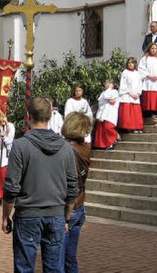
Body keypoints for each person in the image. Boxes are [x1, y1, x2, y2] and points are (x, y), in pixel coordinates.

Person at [2, 97, 78, 273]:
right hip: (56, 215)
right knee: (54, 268)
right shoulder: (65, 148)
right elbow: (73, 187)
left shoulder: (20, 146)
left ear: (28, 116)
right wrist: (66, 217)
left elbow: (11, 187)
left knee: (24, 268)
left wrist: (6, 216)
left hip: (28, 214)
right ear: (50, 116)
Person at [61, 112, 92, 273]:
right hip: (80, 206)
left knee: (58, 258)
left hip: (68, 208)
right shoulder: (85, 148)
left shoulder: (67, 151)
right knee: (70, 258)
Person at [138, 43, 157, 120]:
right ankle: (148, 111)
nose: (153, 50)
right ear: (149, 49)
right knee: (149, 96)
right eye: (152, 48)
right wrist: (148, 75)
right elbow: (141, 68)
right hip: (148, 80)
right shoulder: (145, 58)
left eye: (155, 48)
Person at [117, 57, 143, 133]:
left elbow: (140, 84)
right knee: (128, 113)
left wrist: (138, 93)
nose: (130, 64)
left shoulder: (137, 73)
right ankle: (128, 127)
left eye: (132, 63)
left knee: (135, 113)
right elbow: (123, 84)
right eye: (129, 63)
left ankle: (136, 127)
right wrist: (130, 92)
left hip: (135, 95)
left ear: (135, 64)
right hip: (127, 95)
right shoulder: (125, 72)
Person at [93, 78, 119, 150]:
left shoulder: (115, 92)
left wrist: (109, 98)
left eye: (110, 83)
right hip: (103, 113)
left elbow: (109, 97)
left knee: (108, 127)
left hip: (110, 113)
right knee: (102, 130)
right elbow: (101, 100)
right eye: (107, 83)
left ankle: (115, 136)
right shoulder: (103, 93)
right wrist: (108, 100)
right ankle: (106, 144)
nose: (108, 85)